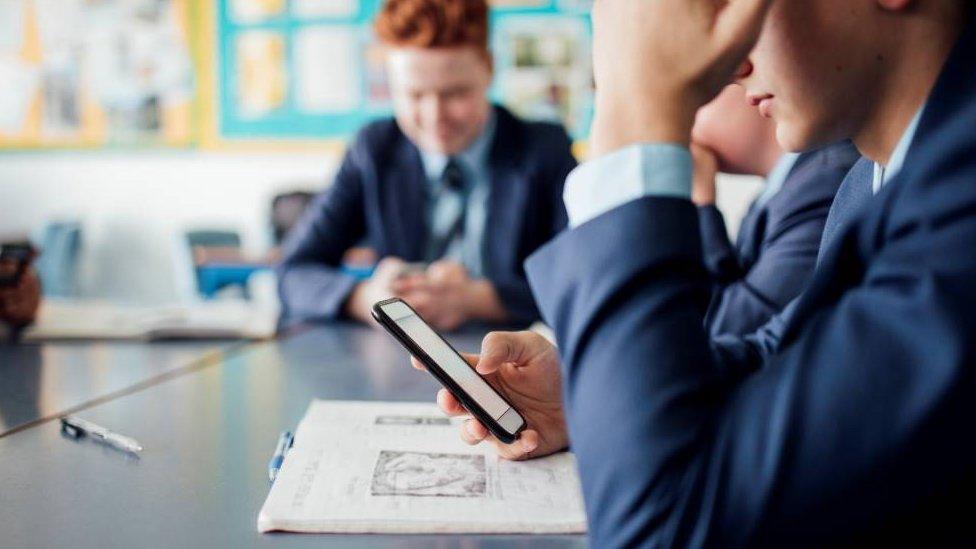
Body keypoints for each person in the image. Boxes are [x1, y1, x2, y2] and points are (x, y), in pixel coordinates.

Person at [422, 0, 976, 545]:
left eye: (743, 7)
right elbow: (780, 356)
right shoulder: (871, 182)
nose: (732, 67)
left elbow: (662, 528)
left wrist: (639, 107)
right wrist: (586, 390)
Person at [277, 0, 576, 331]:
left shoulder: (544, 150)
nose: (436, 118)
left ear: (489, 68)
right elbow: (293, 272)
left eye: (455, 94)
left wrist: (477, 299)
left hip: (514, 364)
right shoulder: (375, 149)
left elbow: (581, 282)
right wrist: (368, 300)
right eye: (415, 95)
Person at [691, 85, 859, 337]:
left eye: (693, 97)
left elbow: (720, 333)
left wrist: (699, 204)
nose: (681, 130)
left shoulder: (825, 183)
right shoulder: (772, 199)